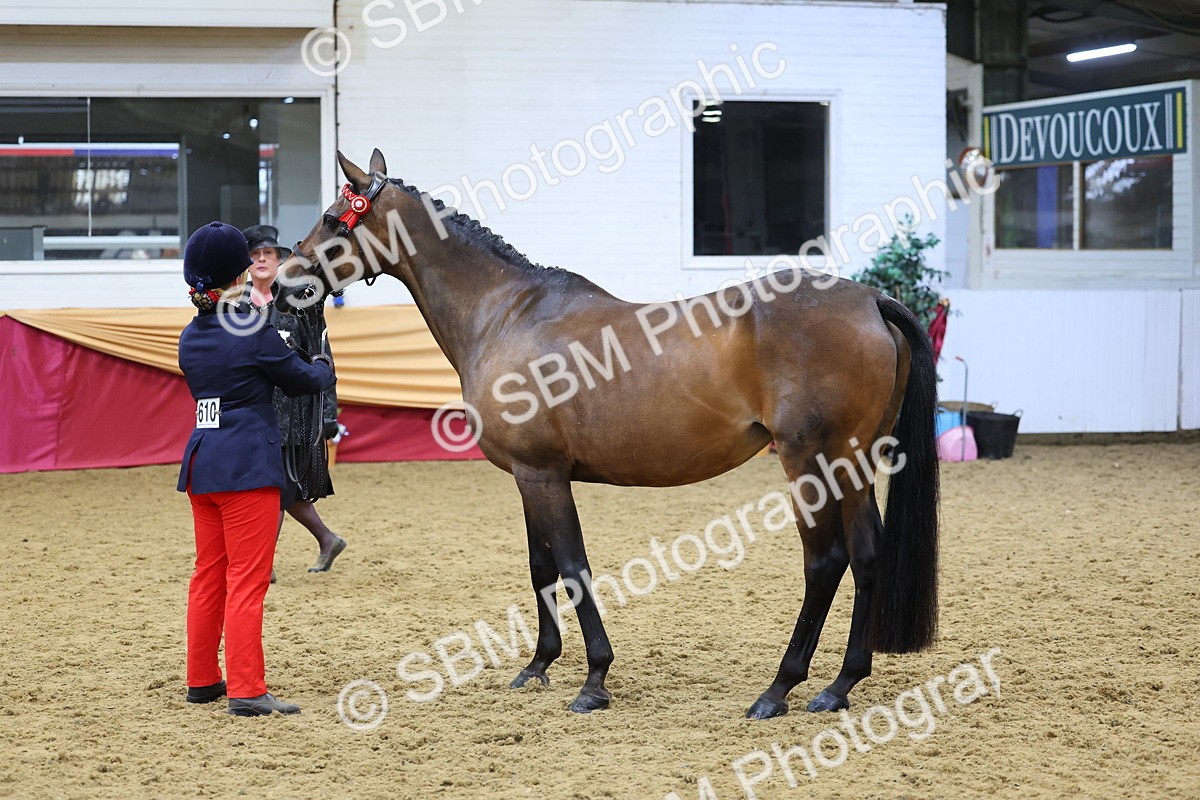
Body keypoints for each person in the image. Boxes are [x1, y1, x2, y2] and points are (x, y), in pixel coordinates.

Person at [177, 221, 335, 716]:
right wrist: (323, 361)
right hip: (247, 466)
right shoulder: (251, 329)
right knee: (248, 579)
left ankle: (202, 678)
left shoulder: (189, 336)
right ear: (238, 276)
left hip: (203, 463)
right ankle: (247, 688)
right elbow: (304, 379)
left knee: (209, 575)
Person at [241, 224, 347, 577]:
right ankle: (327, 539)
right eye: (254, 255)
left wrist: (328, 413)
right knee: (285, 490)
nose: (261, 260)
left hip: (294, 416)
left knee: (276, 488)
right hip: (253, 414)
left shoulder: (301, 305)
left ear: (280, 261)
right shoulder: (236, 307)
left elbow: (322, 357)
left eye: (267, 254)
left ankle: (263, 563)